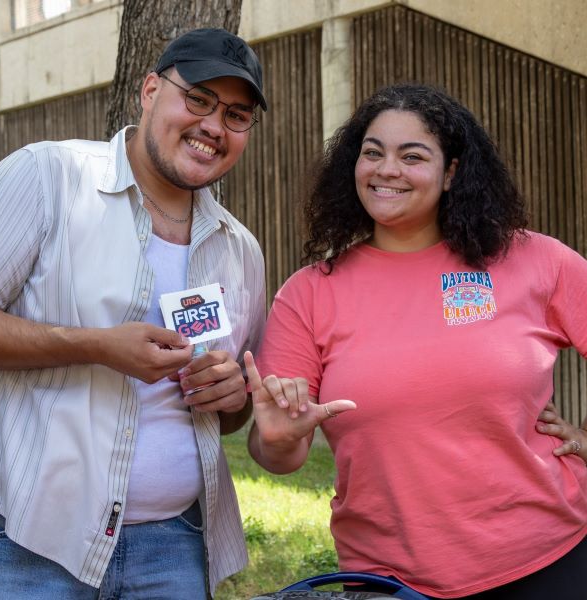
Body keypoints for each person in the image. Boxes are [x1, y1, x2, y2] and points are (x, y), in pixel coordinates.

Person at [245, 83, 587, 599]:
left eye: (413, 156)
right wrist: (274, 436)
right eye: (373, 153)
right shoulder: (310, 294)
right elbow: (279, 457)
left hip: (547, 561)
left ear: (451, 173)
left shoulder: (535, 260)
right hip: (386, 579)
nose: (387, 170)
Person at [0, 28, 266, 599]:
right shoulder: (51, 177)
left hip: (175, 546)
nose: (214, 125)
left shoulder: (240, 250)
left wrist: (233, 396)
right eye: (198, 99)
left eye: (236, 115)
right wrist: (94, 345)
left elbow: (232, 412)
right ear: (148, 90)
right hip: (28, 543)